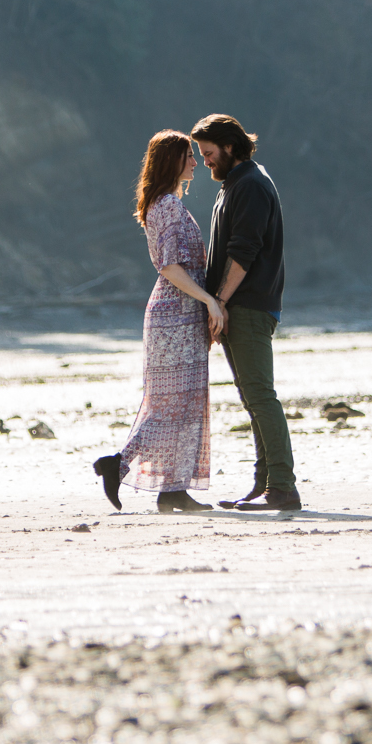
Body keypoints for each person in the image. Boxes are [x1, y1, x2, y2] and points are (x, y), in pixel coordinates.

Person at [93, 130, 223, 513]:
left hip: (183, 316)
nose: (196, 163)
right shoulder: (166, 205)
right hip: (173, 316)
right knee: (170, 405)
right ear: (172, 161)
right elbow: (168, 266)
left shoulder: (168, 203)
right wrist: (209, 301)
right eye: (188, 156)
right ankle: (118, 463)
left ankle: (173, 489)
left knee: (185, 404)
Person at [192, 113, 300, 512]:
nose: (205, 161)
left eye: (208, 153)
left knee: (260, 396)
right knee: (252, 398)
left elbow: (244, 251)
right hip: (240, 306)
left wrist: (218, 301)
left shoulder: (252, 185)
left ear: (230, 147)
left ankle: (283, 487)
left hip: (249, 306)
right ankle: (264, 482)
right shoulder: (238, 183)